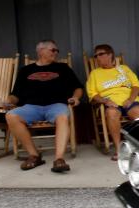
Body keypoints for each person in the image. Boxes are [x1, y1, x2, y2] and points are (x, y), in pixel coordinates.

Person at [5, 39, 83, 172]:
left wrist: (75, 97)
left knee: (63, 117)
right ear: (41, 51)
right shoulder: (25, 70)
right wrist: (9, 101)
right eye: (53, 50)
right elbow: (15, 95)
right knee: (11, 116)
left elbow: (78, 88)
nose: (56, 53)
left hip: (56, 105)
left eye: (57, 50)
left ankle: (59, 159)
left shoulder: (63, 68)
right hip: (31, 107)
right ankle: (34, 155)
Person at [86, 44, 139, 160]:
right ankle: (119, 150)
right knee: (111, 114)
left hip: (129, 101)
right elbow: (92, 94)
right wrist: (105, 101)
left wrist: (130, 100)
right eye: (95, 56)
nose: (97, 57)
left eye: (101, 54)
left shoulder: (124, 69)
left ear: (110, 55)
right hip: (111, 103)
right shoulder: (95, 74)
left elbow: (136, 86)